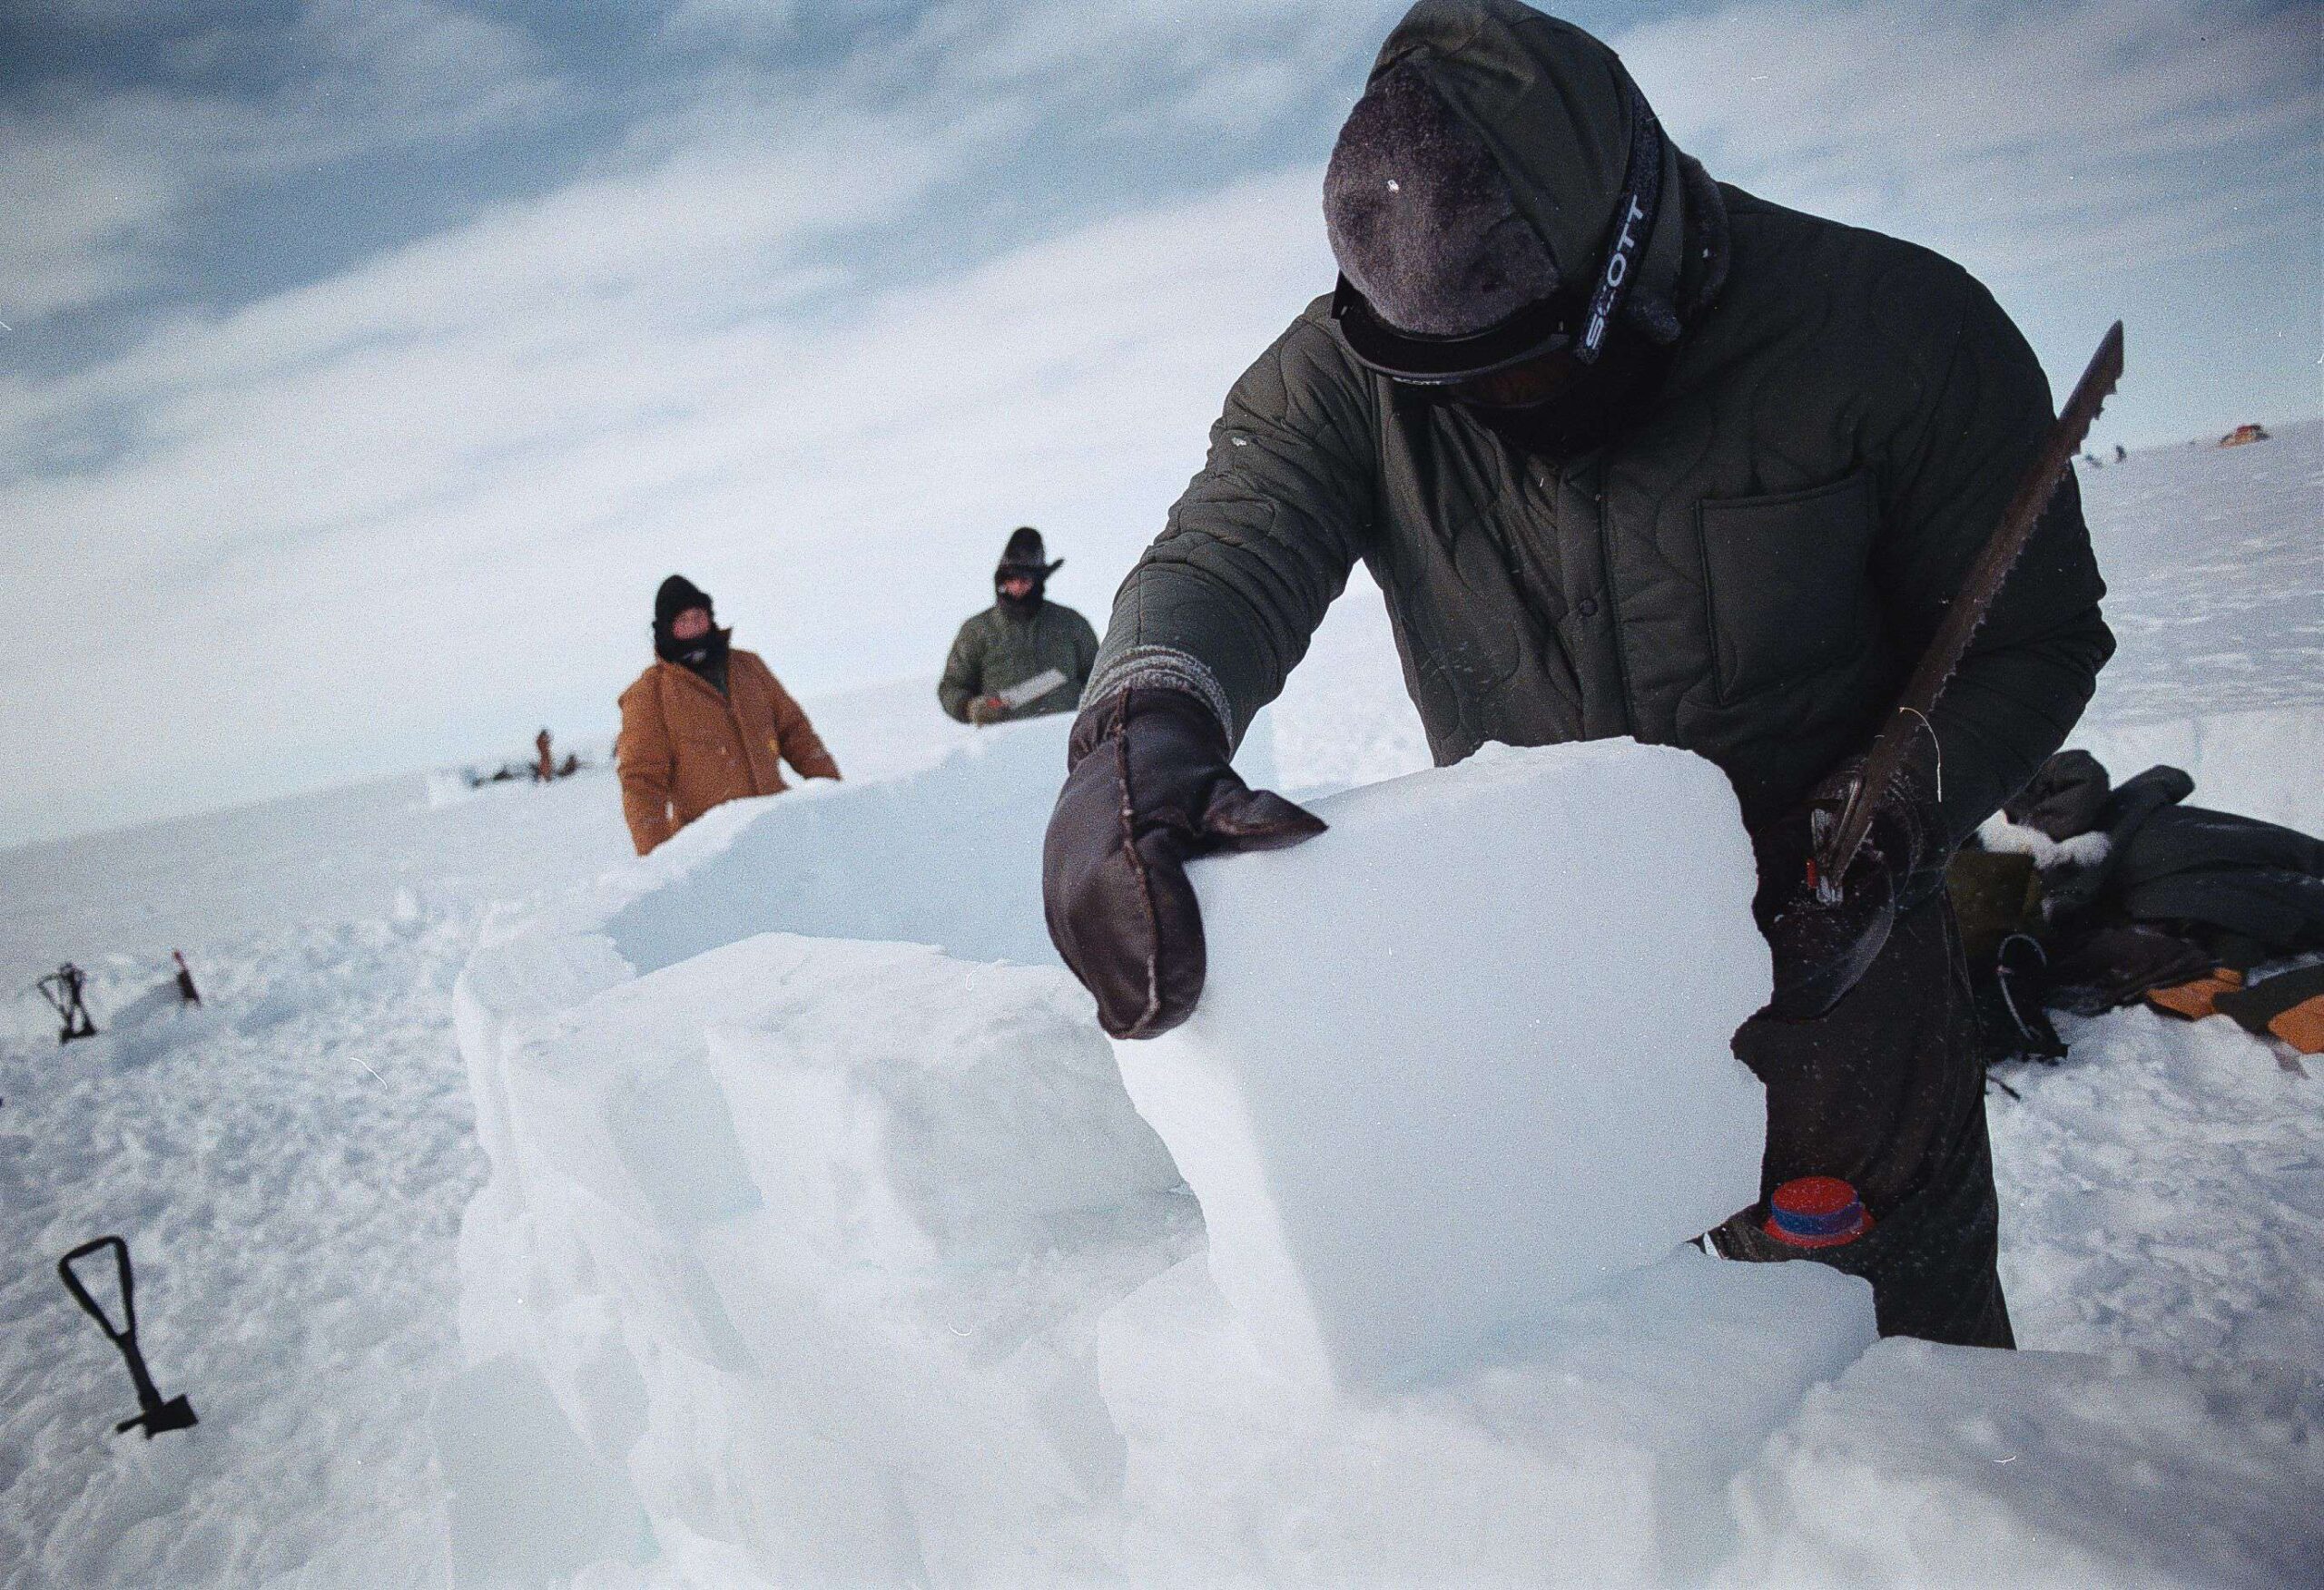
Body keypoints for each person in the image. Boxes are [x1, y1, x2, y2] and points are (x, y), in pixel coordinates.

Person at [1040, 0, 2113, 1349]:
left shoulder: (1897, 336)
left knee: (1909, 1442)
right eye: (1452, 383)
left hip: (1845, 1004)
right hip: (1560, 1042)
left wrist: (1902, 815)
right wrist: (1142, 723)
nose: (1494, 410)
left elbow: (2035, 637)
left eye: (1530, 364)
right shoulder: (1350, 380)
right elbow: (1231, 545)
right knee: (1628, 1440)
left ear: (1631, 257)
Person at [616, 574, 839, 856]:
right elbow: (642, 781)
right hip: (714, 853)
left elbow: (795, 733)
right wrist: (656, 861)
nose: (694, 626)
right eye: (682, 621)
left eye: (698, 616)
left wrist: (834, 797)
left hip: (780, 832)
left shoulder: (749, 668)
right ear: (666, 630)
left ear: (710, 617)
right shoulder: (650, 695)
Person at [940, 528, 1099, 726]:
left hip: (1068, 739)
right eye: (1010, 579)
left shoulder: (1071, 625)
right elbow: (952, 687)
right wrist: (970, 707)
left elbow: (1101, 677)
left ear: (1037, 580)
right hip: (1005, 745)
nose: (1016, 587)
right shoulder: (977, 631)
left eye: (1023, 580)